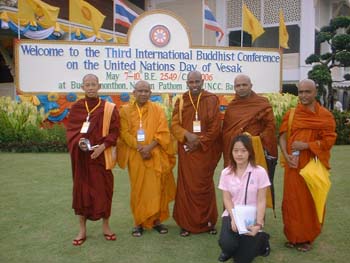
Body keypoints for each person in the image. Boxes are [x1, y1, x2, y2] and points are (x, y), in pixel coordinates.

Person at [279, 79, 337, 252]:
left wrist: (306, 146)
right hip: (293, 165)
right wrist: (285, 154)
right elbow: (282, 136)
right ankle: (293, 236)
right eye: (301, 92)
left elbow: (329, 140)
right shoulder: (292, 114)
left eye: (307, 92)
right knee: (291, 202)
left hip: (312, 166)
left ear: (315, 92)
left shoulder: (325, 115)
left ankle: (307, 238)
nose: (303, 95)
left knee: (310, 202)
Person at [117, 80, 176, 237]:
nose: (143, 93)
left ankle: (157, 220)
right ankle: (139, 222)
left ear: (150, 93)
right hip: (136, 156)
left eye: (146, 91)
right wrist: (139, 147)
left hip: (155, 153)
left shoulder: (157, 109)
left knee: (157, 188)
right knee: (138, 189)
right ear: (134, 93)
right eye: (140, 91)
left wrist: (149, 148)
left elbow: (163, 131)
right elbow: (124, 133)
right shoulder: (125, 111)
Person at [66, 74, 120, 246]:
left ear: (99, 86)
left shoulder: (108, 108)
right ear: (82, 87)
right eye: (87, 85)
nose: (90, 87)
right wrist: (79, 142)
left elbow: (115, 131)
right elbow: (72, 131)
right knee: (81, 192)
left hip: (101, 157)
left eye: (93, 84)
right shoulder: (77, 108)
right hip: (82, 159)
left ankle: (106, 226)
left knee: (104, 190)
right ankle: (82, 229)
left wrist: (103, 147)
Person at [171, 70, 222, 237]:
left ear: (202, 82)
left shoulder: (211, 99)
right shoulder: (180, 101)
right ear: (187, 83)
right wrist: (187, 136)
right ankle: (186, 224)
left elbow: (215, 127)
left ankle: (208, 222)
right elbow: (174, 125)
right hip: (187, 151)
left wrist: (199, 142)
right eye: (191, 82)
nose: (194, 85)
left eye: (197, 82)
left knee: (204, 186)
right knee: (186, 186)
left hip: (205, 151)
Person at [222, 74, 278, 210]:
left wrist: (254, 140)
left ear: (251, 86)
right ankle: (232, 218)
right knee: (234, 186)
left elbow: (270, 127)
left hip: (256, 153)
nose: (241, 88)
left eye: (244, 85)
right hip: (236, 155)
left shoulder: (262, 103)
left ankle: (257, 221)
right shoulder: (232, 107)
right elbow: (226, 132)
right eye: (238, 85)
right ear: (234, 88)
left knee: (256, 187)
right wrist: (238, 140)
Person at [218, 134, 271, 263]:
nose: (239, 154)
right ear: (231, 152)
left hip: (251, 217)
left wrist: (258, 223)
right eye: (236, 151)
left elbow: (261, 200)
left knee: (241, 260)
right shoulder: (226, 172)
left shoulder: (260, 172)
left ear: (250, 152)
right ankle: (230, 249)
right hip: (232, 213)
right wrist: (233, 218)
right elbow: (227, 199)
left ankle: (262, 239)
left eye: (243, 150)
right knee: (226, 244)